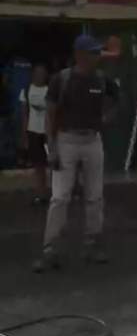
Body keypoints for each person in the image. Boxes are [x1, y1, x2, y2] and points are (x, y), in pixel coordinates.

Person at [37, 36, 120, 273]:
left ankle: (92, 245)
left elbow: (117, 101)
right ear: (80, 54)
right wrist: (51, 148)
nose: (97, 57)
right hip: (67, 140)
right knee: (60, 197)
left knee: (95, 196)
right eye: (93, 53)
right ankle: (50, 249)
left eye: (98, 52)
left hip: (92, 140)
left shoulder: (102, 79)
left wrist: (107, 117)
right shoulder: (61, 80)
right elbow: (50, 115)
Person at [19, 63, 50, 205]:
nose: (40, 75)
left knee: (54, 164)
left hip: (48, 133)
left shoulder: (50, 91)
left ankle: (57, 192)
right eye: (37, 73)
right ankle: (41, 193)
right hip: (33, 132)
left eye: (42, 73)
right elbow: (24, 114)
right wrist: (24, 136)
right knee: (38, 165)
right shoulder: (26, 91)